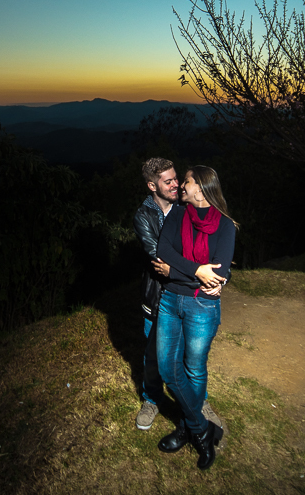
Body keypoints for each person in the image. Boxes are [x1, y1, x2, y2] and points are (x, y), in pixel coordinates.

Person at [153, 165, 235, 471]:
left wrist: (174, 272)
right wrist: (198, 271)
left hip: (202, 306)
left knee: (194, 368)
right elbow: (163, 250)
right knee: (167, 367)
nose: (180, 186)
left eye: (185, 181)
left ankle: (186, 428)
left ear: (200, 186)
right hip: (170, 300)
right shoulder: (177, 214)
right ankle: (200, 427)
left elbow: (219, 274)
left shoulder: (226, 225)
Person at [132, 157, 178, 431]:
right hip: (157, 296)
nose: (175, 185)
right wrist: (195, 266)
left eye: (176, 179)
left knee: (187, 354)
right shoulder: (143, 216)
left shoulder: (186, 207)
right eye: (168, 181)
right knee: (153, 355)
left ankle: (198, 401)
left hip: (185, 294)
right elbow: (157, 256)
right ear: (152, 185)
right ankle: (152, 399)